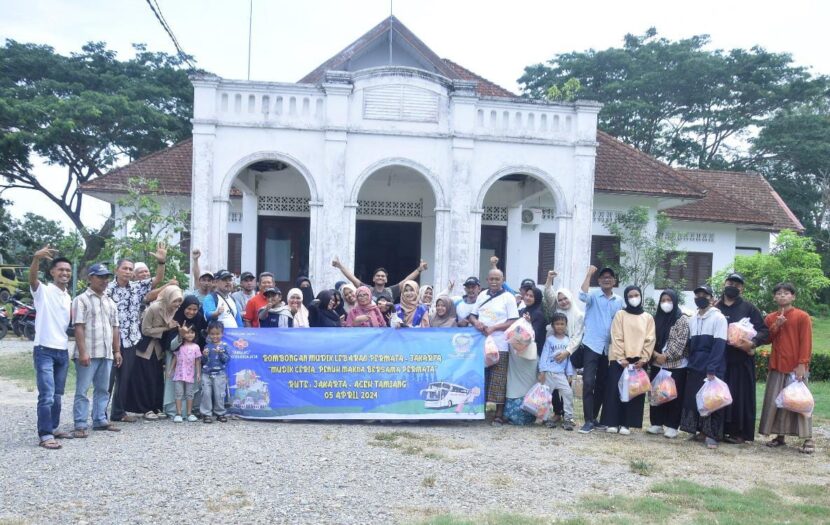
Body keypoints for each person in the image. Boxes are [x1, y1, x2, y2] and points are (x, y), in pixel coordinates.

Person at [106, 244, 167, 423]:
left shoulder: (136, 287)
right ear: (116, 270)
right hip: (111, 340)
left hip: (131, 340)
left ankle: (118, 412)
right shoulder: (108, 290)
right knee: (107, 381)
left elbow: (157, 279)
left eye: (130, 269)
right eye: (124, 268)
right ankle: (100, 414)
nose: (127, 271)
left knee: (124, 379)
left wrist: (161, 262)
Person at [759, 282, 814, 454]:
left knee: (800, 403)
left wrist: (802, 364)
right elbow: (767, 339)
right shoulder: (770, 317)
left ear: (793, 296)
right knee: (778, 402)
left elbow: (806, 341)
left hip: (795, 368)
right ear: (774, 297)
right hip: (777, 365)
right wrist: (777, 325)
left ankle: (808, 438)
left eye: (786, 293)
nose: (782, 296)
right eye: (779, 293)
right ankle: (780, 436)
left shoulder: (802, 316)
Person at [715, 273, 769, 444]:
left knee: (740, 396)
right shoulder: (715, 307)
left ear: (742, 288)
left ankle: (739, 433)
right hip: (719, 360)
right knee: (718, 394)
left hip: (741, 360)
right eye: (730, 282)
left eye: (737, 285)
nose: (733, 286)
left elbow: (764, 331)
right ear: (725, 284)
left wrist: (752, 343)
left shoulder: (749, 308)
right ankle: (717, 429)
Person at [71, 263, 122, 438]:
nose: (104, 280)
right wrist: (83, 352)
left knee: (103, 389)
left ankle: (100, 419)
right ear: (90, 278)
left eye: (106, 277)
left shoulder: (110, 302)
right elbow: (78, 327)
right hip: (88, 353)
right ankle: (80, 423)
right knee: (83, 390)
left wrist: (117, 351)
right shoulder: (81, 300)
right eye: (100, 277)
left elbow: (115, 328)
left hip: (106, 353)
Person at [29, 246, 73, 449]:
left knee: (57, 394)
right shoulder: (44, 291)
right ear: (52, 272)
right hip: (44, 349)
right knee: (46, 395)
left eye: (68, 270)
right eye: (60, 269)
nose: (64, 273)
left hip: (62, 350)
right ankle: (45, 434)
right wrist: (36, 259)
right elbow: (32, 280)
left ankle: (54, 427)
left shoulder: (68, 297)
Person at [600, 285, 655, 435]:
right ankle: (612, 422)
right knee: (614, 391)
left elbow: (650, 339)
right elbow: (616, 336)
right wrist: (620, 357)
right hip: (619, 360)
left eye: (636, 295)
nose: (634, 298)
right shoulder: (620, 315)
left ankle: (626, 424)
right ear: (626, 298)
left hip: (638, 360)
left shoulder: (648, 317)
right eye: (630, 296)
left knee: (633, 392)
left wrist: (644, 358)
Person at [679, 285, 728, 450]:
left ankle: (712, 434)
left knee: (712, 400)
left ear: (711, 298)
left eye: (704, 295)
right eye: (697, 294)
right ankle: (699, 431)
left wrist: (712, 368)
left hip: (711, 365)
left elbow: (719, 345)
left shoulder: (719, 318)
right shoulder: (693, 319)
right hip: (695, 364)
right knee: (696, 398)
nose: (701, 297)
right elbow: (690, 344)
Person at [469, 268, 519, 426]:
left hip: (501, 344)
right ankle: (478, 410)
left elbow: (513, 321)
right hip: (482, 344)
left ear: (503, 280)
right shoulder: (482, 295)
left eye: (498, 279)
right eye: (491, 279)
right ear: (487, 279)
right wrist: (476, 323)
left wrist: (494, 328)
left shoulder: (508, 297)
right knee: (481, 377)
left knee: (499, 379)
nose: (494, 282)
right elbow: (472, 315)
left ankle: (498, 414)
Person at [577, 266, 623, 434]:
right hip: (592, 344)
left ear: (614, 281)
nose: (606, 279)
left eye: (610, 277)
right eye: (603, 277)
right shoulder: (593, 296)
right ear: (599, 280)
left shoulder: (618, 301)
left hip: (608, 347)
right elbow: (581, 295)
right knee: (588, 382)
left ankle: (594, 418)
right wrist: (589, 273)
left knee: (602, 383)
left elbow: (619, 322)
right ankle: (587, 420)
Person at [132, 286, 183, 420]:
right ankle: (145, 409)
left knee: (157, 378)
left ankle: (156, 407)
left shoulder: (175, 310)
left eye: (179, 301)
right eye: (175, 301)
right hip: (146, 348)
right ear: (167, 298)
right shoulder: (154, 308)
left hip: (159, 349)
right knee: (145, 379)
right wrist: (166, 328)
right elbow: (145, 330)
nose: (177, 304)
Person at [646, 289, 690, 439]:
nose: (666, 303)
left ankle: (672, 425)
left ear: (675, 301)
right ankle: (656, 423)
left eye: (669, 300)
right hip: (657, 363)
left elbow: (681, 342)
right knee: (657, 394)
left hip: (676, 365)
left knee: (673, 396)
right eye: (663, 300)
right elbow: (649, 339)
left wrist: (666, 356)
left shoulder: (682, 319)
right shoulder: (655, 318)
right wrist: (655, 355)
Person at [164, 294, 208, 417]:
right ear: (183, 307)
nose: (191, 312)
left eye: (195, 309)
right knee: (175, 386)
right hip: (176, 357)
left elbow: (203, 339)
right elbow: (169, 345)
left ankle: (191, 410)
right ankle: (175, 411)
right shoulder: (176, 318)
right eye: (188, 308)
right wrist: (181, 335)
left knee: (191, 385)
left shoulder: (199, 319)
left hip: (192, 358)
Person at [538, 313, 576, 431]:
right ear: (553, 326)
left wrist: (569, 374)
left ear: (566, 325)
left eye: (562, 324)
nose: (559, 326)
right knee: (546, 397)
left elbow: (569, 359)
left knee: (568, 393)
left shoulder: (568, 340)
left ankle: (568, 418)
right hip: (549, 373)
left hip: (561, 374)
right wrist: (542, 371)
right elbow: (544, 355)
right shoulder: (549, 340)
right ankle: (547, 418)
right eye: (557, 324)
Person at [332, 256, 428, 303]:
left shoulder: (391, 291)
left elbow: (406, 280)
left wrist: (419, 269)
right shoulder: (367, 290)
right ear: (373, 279)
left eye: (383, 276)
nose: (380, 277)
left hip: (387, 326)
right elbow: (353, 279)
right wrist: (340, 266)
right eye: (378, 276)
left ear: (386, 280)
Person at [167, 326, 202, 423]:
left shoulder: (196, 347)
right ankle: (178, 413)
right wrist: (170, 370)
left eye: (192, 332)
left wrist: (198, 373)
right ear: (183, 334)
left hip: (190, 374)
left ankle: (189, 413)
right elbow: (175, 358)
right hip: (178, 374)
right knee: (178, 393)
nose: (190, 334)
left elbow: (198, 361)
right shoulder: (179, 346)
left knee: (189, 394)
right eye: (187, 332)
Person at [200, 321, 231, 423]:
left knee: (219, 394)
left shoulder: (225, 346)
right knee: (206, 393)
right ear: (208, 333)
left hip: (220, 374)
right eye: (212, 334)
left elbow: (226, 360)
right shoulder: (207, 346)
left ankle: (220, 413)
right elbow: (204, 361)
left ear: (222, 333)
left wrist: (221, 354)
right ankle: (206, 414)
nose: (215, 336)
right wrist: (204, 355)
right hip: (206, 373)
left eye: (217, 334)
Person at [520, 287, 546, 352]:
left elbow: (535, 335)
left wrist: (529, 323)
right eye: (526, 295)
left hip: (532, 352)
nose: (527, 298)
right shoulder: (523, 310)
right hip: (521, 349)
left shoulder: (538, 314)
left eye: (531, 296)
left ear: (537, 298)